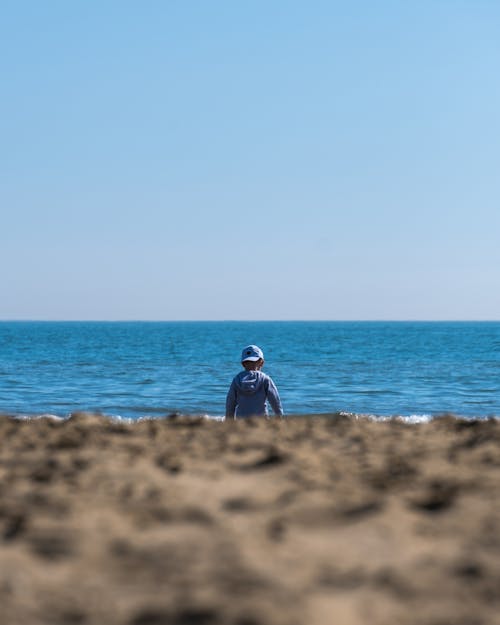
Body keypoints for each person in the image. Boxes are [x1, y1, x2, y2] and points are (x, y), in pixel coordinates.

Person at [225, 345, 284, 419]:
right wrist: (280, 417)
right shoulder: (265, 379)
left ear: (243, 364)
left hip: (241, 422)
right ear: (262, 363)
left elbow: (230, 403)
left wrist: (229, 420)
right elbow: (275, 401)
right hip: (261, 422)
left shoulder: (237, 379)